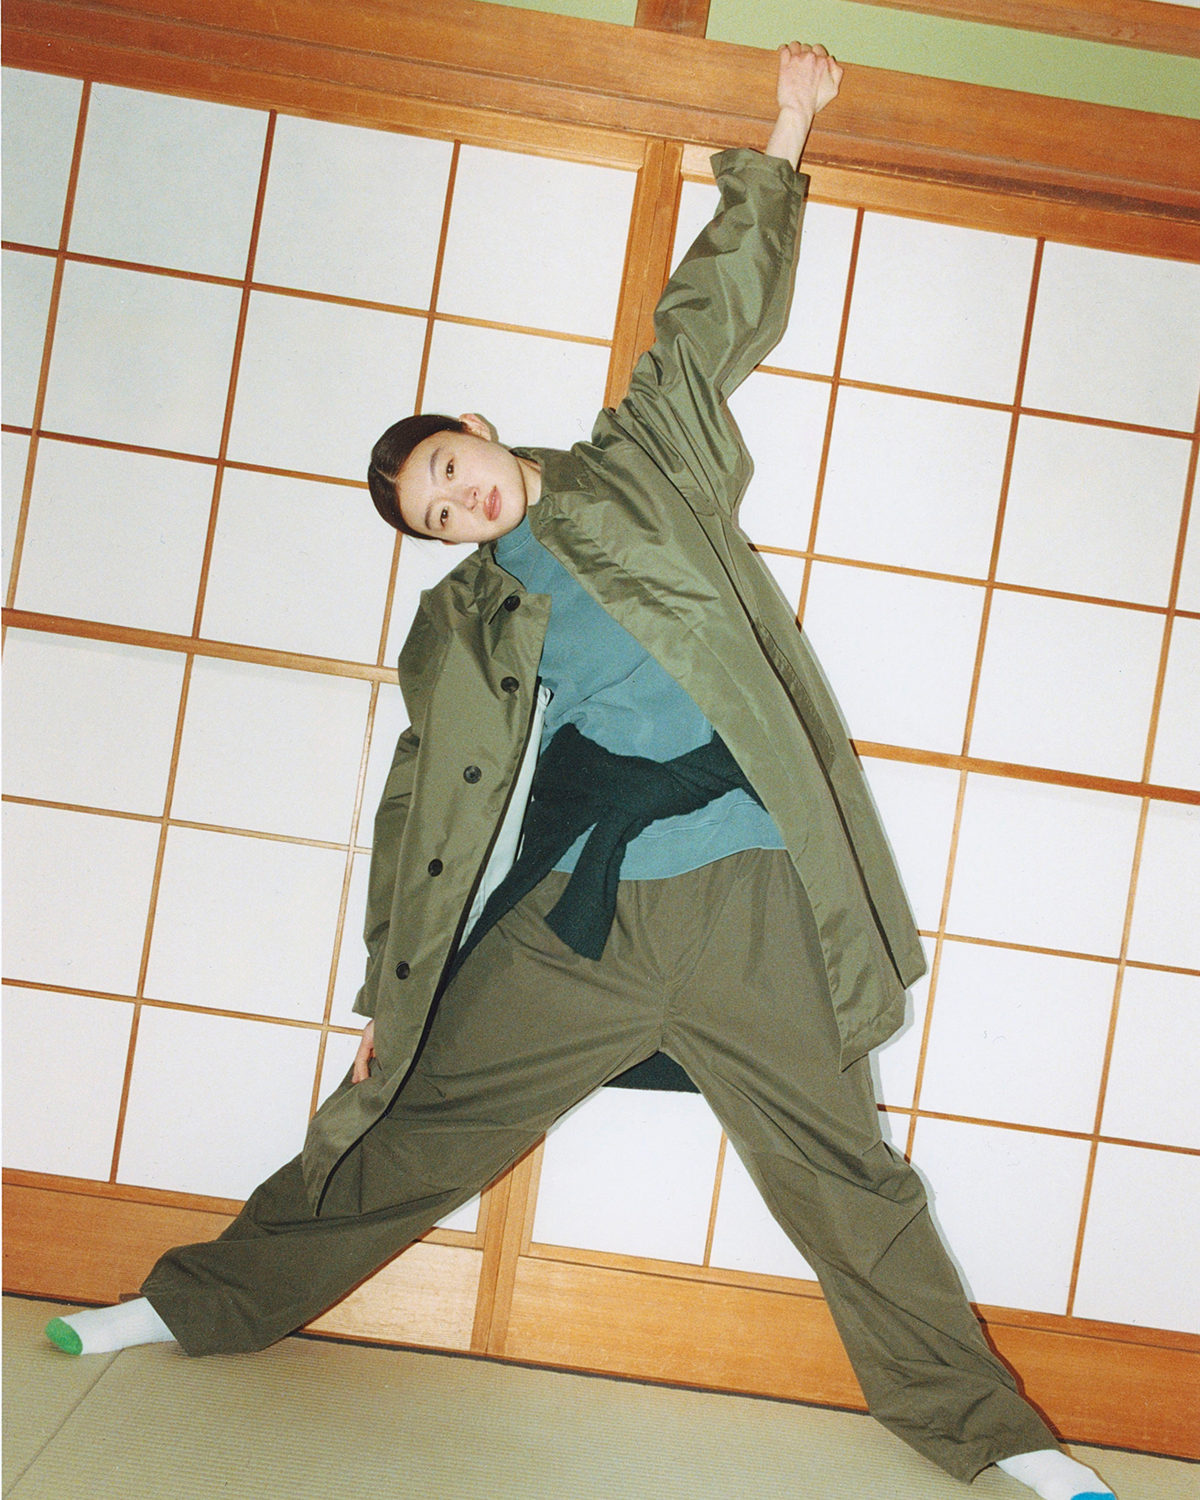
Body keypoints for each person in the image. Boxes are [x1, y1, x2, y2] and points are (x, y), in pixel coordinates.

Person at [46, 43, 1115, 1500]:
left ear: (477, 432)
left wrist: (787, 126)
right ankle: (193, 1307)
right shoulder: (464, 621)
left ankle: (999, 1439)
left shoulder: (645, 463)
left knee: (845, 1177)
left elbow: (714, 312)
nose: (458, 506)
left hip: (744, 889)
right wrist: (391, 998)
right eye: (435, 518)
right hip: (578, 916)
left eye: (448, 472)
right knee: (416, 1125)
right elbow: (424, 806)